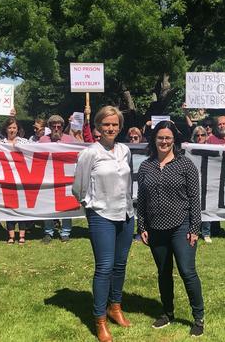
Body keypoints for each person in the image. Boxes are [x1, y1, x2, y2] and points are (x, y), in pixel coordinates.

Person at [72, 106, 135, 342]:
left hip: (126, 214)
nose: (111, 128)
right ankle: (99, 319)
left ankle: (115, 307)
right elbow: (78, 186)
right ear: (98, 126)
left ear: (120, 127)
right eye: (106, 124)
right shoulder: (90, 153)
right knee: (105, 267)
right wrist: (90, 205)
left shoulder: (125, 150)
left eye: (115, 124)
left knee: (120, 265)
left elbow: (128, 182)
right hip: (101, 215)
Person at [137, 120, 205, 336]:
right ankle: (167, 312)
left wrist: (195, 227)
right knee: (163, 272)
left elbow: (195, 199)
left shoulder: (186, 165)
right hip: (155, 228)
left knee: (187, 271)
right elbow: (141, 198)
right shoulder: (145, 166)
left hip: (181, 225)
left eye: (168, 138)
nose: (164, 141)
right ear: (154, 139)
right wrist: (142, 225)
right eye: (160, 137)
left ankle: (198, 317)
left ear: (174, 140)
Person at [40, 115, 74, 242]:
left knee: (66, 205)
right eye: (53, 126)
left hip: (65, 179)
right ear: (49, 127)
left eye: (59, 126)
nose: (56, 129)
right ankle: (48, 232)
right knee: (47, 206)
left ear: (62, 127)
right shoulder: (43, 140)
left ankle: (65, 232)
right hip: (48, 177)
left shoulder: (70, 140)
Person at [0, 117, 31, 244]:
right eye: (10, 128)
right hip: (7, 180)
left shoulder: (24, 142)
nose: (12, 130)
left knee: (21, 207)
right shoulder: (1, 143)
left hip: (22, 179)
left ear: (18, 129)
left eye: (14, 128)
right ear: (6, 129)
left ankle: (22, 235)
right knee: (9, 207)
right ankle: (11, 236)